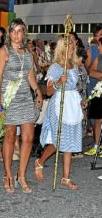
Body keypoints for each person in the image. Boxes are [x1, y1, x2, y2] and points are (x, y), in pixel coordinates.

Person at [0, 18, 42, 194]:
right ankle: (8, 175)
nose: (16, 34)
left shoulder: (27, 53)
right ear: (10, 33)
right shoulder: (4, 51)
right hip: (9, 98)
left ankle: (21, 175)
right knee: (10, 138)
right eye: (13, 31)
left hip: (25, 98)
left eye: (19, 31)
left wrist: (37, 91)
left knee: (28, 138)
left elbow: (30, 76)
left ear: (24, 33)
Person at [34, 37, 84, 190]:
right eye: (68, 47)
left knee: (68, 143)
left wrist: (81, 101)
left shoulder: (74, 66)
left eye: (72, 47)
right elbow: (49, 91)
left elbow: (75, 87)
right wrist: (58, 83)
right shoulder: (55, 67)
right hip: (59, 104)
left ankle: (66, 178)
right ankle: (40, 162)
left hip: (72, 105)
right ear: (62, 49)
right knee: (58, 140)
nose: (71, 50)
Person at [84, 25, 102, 156]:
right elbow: (91, 71)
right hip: (98, 90)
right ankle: (96, 145)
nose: (98, 45)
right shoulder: (97, 56)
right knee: (97, 119)